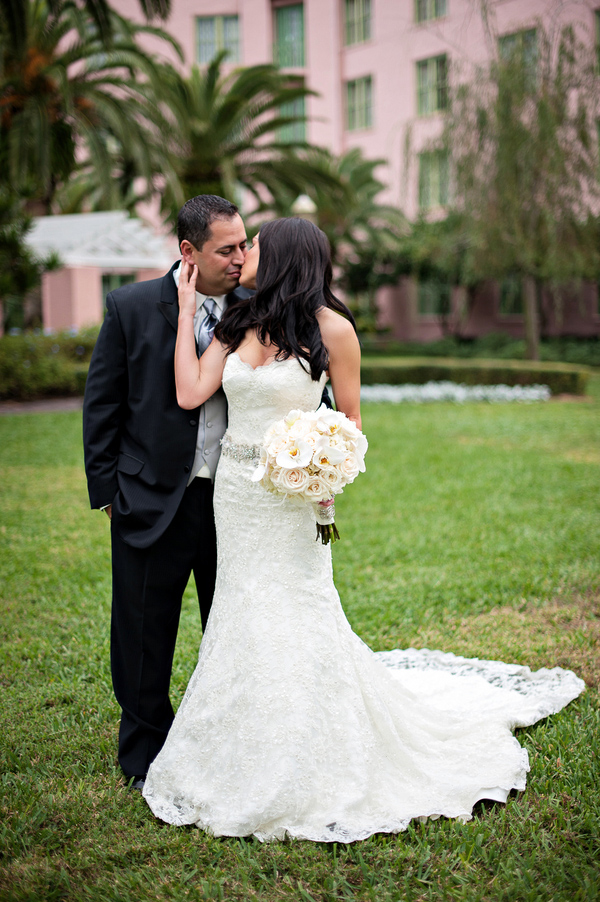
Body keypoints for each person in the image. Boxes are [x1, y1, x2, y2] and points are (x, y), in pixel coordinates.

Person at [142, 217, 584, 842]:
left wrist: (320, 466)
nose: (243, 259)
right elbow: (190, 394)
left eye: (255, 248)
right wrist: (189, 305)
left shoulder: (334, 331)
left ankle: (313, 746)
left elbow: (348, 421)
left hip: (292, 500)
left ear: (288, 257)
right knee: (240, 608)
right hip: (237, 499)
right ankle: (244, 738)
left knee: (295, 607)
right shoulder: (237, 321)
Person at [83, 196, 253, 789]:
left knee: (230, 626)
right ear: (189, 251)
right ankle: (144, 754)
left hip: (235, 501)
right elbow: (103, 403)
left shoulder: (258, 310)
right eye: (226, 249)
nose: (240, 258)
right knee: (142, 631)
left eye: (244, 243)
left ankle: (228, 743)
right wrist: (108, 491)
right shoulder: (131, 306)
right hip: (150, 498)